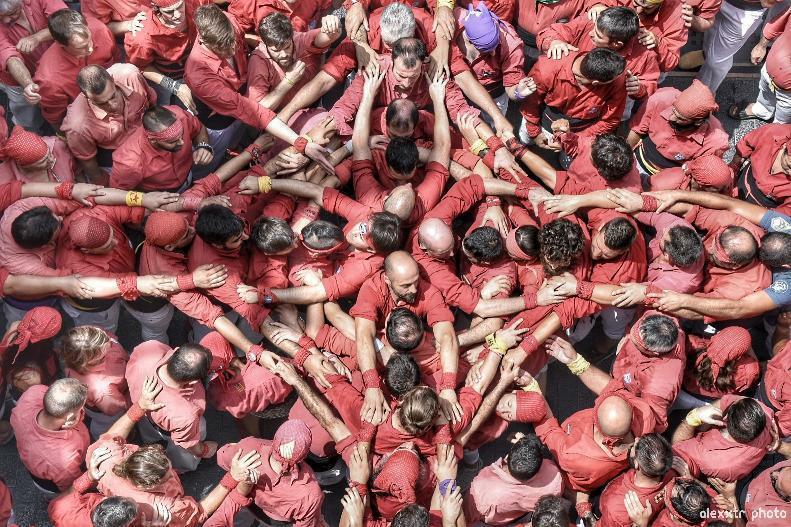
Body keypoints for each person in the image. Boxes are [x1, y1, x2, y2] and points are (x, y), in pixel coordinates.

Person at [184, 4, 334, 175]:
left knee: (239, 142)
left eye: (233, 41)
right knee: (206, 164)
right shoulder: (199, 74)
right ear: (203, 40)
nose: (233, 49)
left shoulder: (229, 21)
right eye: (223, 48)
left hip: (246, 106)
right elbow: (251, 110)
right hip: (219, 123)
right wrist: (300, 143)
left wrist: (266, 50)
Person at [350, 251, 460, 425]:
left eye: (416, 281)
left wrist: (448, 387)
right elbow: (363, 336)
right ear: (387, 279)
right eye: (406, 285)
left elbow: (447, 336)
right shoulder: (372, 289)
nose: (415, 289)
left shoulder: (428, 292)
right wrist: (372, 384)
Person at [125, 341, 217, 473]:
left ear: (176, 352)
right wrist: (203, 450)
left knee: (149, 433)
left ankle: (150, 442)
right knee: (184, 452)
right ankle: (179, 468)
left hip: (144, 415)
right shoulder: (186, 415)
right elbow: (188, 443)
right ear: (193, 382)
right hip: (176, 428)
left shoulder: (149, 349)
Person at [215, 419, 326, 526]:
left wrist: (238, 448)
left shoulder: (249, 447)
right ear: (303, 456)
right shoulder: (311, 495)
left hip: (249, 503)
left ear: (276, 438)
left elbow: (221, 456)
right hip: (277, 520)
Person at [61, 64, 156, 185]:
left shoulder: (131, 76)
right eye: (102, 103)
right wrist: (103, 182)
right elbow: (88, 161)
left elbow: (151, 103)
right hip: (114, 156)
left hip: (146, 137)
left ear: (112, 79)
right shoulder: (77, 125)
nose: (113, 105)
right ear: (86, 96)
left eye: (113, 96)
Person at [519, 48, 626, 151]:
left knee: (568, 165)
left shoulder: (617, 81)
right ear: (596, 83)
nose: (620, 78)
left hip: (580, 133)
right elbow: (530, 104)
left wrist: (574, 141)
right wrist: (534, 132)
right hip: (541, 123)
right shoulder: (547, 68)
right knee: (524, 142)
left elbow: (609, 120)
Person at [33, 9, 119, 128]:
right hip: (88, 121)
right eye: (81, 47)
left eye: (90, 40)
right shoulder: (49, 79)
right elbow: (58, 119)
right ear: (61, 44)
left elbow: (117, 60)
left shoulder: (100, 30)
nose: (90, 49)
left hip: (115, 96)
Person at [627, 80, 729, 179]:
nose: (671, 117)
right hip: (638, 155)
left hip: (665, 177)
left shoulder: (715, 142)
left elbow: (696, 170)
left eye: (680, 118)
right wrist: (626, 154)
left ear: (698, 122)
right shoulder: (662, 98)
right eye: (673, 110)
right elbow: (637, 129)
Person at [247, 12, 341, 112]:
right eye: (276, 51)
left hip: (317, 100)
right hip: (282, 115)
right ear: (265, 44)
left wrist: (332, 26)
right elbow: (258, 111)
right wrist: (288, 81)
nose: (283, 54)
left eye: (287, 47)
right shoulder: (259, 61)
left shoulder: (299, 40)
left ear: (291, 37)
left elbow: (327, 37)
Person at [9, 378, 90, 493]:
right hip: (52, 483)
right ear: (69, 417)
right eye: (81, 408)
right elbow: (71, 487)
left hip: (38, 465)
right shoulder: (63, 460)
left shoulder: (33, 392)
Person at [464, 433, 564, 525]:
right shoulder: (554, 477)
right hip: (521, 516)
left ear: (507, 457)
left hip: (493, 520)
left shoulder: (482, 488)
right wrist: (527, 449)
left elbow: (466, 516)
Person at [672, 395, 777, 482]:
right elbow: (725, 402)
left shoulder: (712, 458)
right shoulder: (762, 413)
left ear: (726, 419)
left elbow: (678, 444)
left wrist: (695, 417)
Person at [110, 105, 213, 192]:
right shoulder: (129, 162)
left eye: (182, 135)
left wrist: (203, 145)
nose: (182, 142)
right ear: (153, 140)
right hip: (159, 197)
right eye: (172, 141)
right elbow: (119, 195)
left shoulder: (181, 116)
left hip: (188, 177)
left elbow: (199, 129)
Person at [0, 0, 66, 132]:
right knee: (27, 114)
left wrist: (37, 37)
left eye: (11, 13)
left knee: (61, 101)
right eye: (1, 17)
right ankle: (32, 137)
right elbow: (9, 57)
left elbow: (66, 22)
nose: (7, 20)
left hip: (58, 64)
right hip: (16, 78)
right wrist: (28, 84)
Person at [123, 0, 203, 107]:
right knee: (165, 108)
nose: (177, 15)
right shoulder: (143, 36)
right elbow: (142, 66)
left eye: (179, 7)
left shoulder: (195, 4)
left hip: (195, 68)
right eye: (169, 12)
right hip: (165, 77)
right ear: (157, 9)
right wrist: (174, 86)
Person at [695, 0, 786, 93]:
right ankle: (705, 56)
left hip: (744, 10)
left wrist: (762, 45)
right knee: (710, 30)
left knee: (717, 61)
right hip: (714, 2)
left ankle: (703, 94)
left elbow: (768, 2)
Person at [61, 325, 131, 439]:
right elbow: (115, 408)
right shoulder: (101, 389)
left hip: (107, 397)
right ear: (88, 361)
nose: (110, 343)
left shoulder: (95, 338)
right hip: (104, 408)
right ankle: (101, 437)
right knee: (106, 424)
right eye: (104, 351)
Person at [597, 433, 674, 527]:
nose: (636, 439)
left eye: (637, 446)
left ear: (636, 464)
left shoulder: (617, 507)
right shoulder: (673, 473)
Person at [731, 6, 791, 123]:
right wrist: (761, 45)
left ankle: (777, 133)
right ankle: (762, 110)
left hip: (788, 90)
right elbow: (778, 23)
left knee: (782, 119)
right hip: (770, 66)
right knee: (765, 90)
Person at [0, 125, 77, 183]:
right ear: (26, 166)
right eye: (43, 161)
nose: (52, 159)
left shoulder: (57, 146)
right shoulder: (10, 179)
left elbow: (77, 170)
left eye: (49, 153)